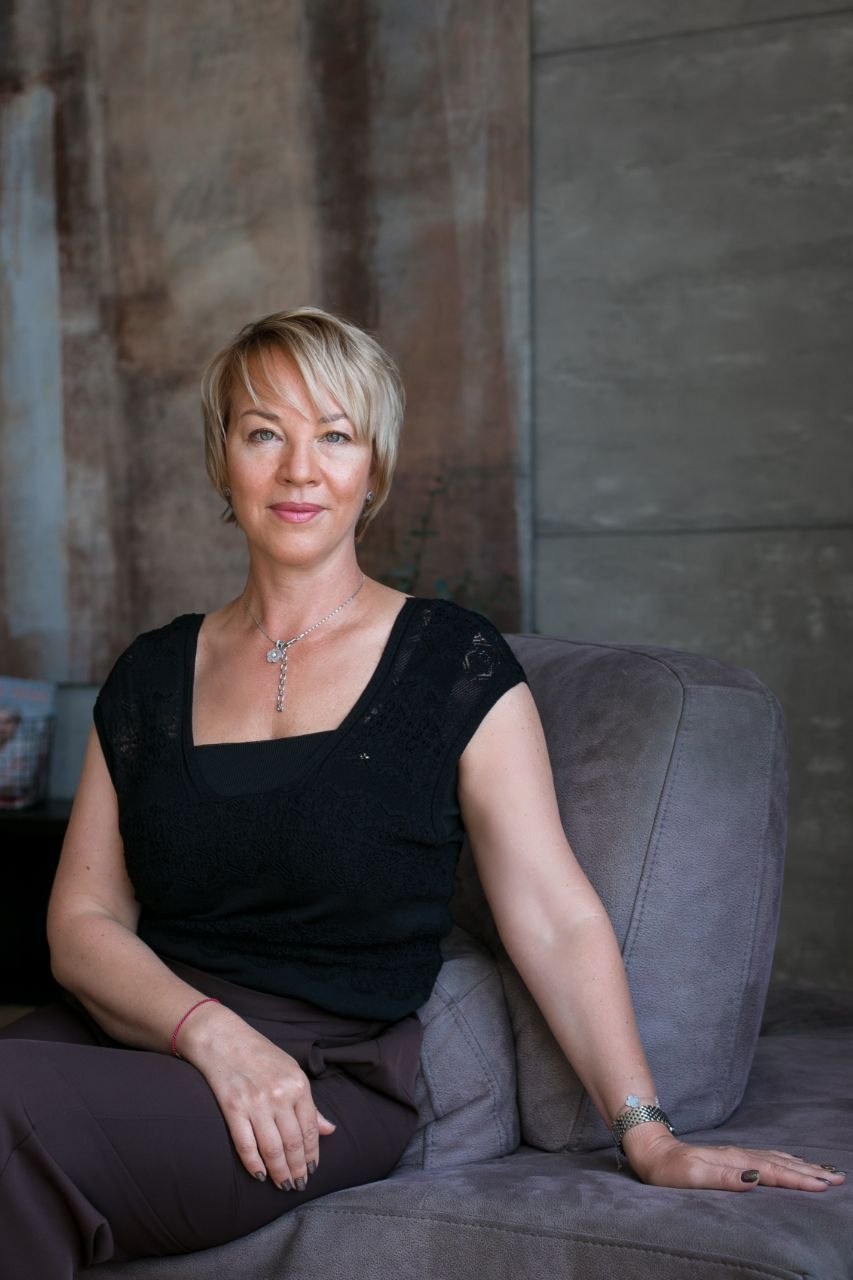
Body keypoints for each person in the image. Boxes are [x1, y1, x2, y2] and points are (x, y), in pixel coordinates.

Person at [0, 308, 843, 1277]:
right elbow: (84, 922)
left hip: (322, 1076)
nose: (300, 469)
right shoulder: (149, 674)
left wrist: (646, 1132)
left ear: (374, 467)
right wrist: (211, 1036)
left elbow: (552, 912)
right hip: (146, 1036)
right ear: (222, 459)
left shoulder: (449, 663)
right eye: (264, 432)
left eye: (335, 435)